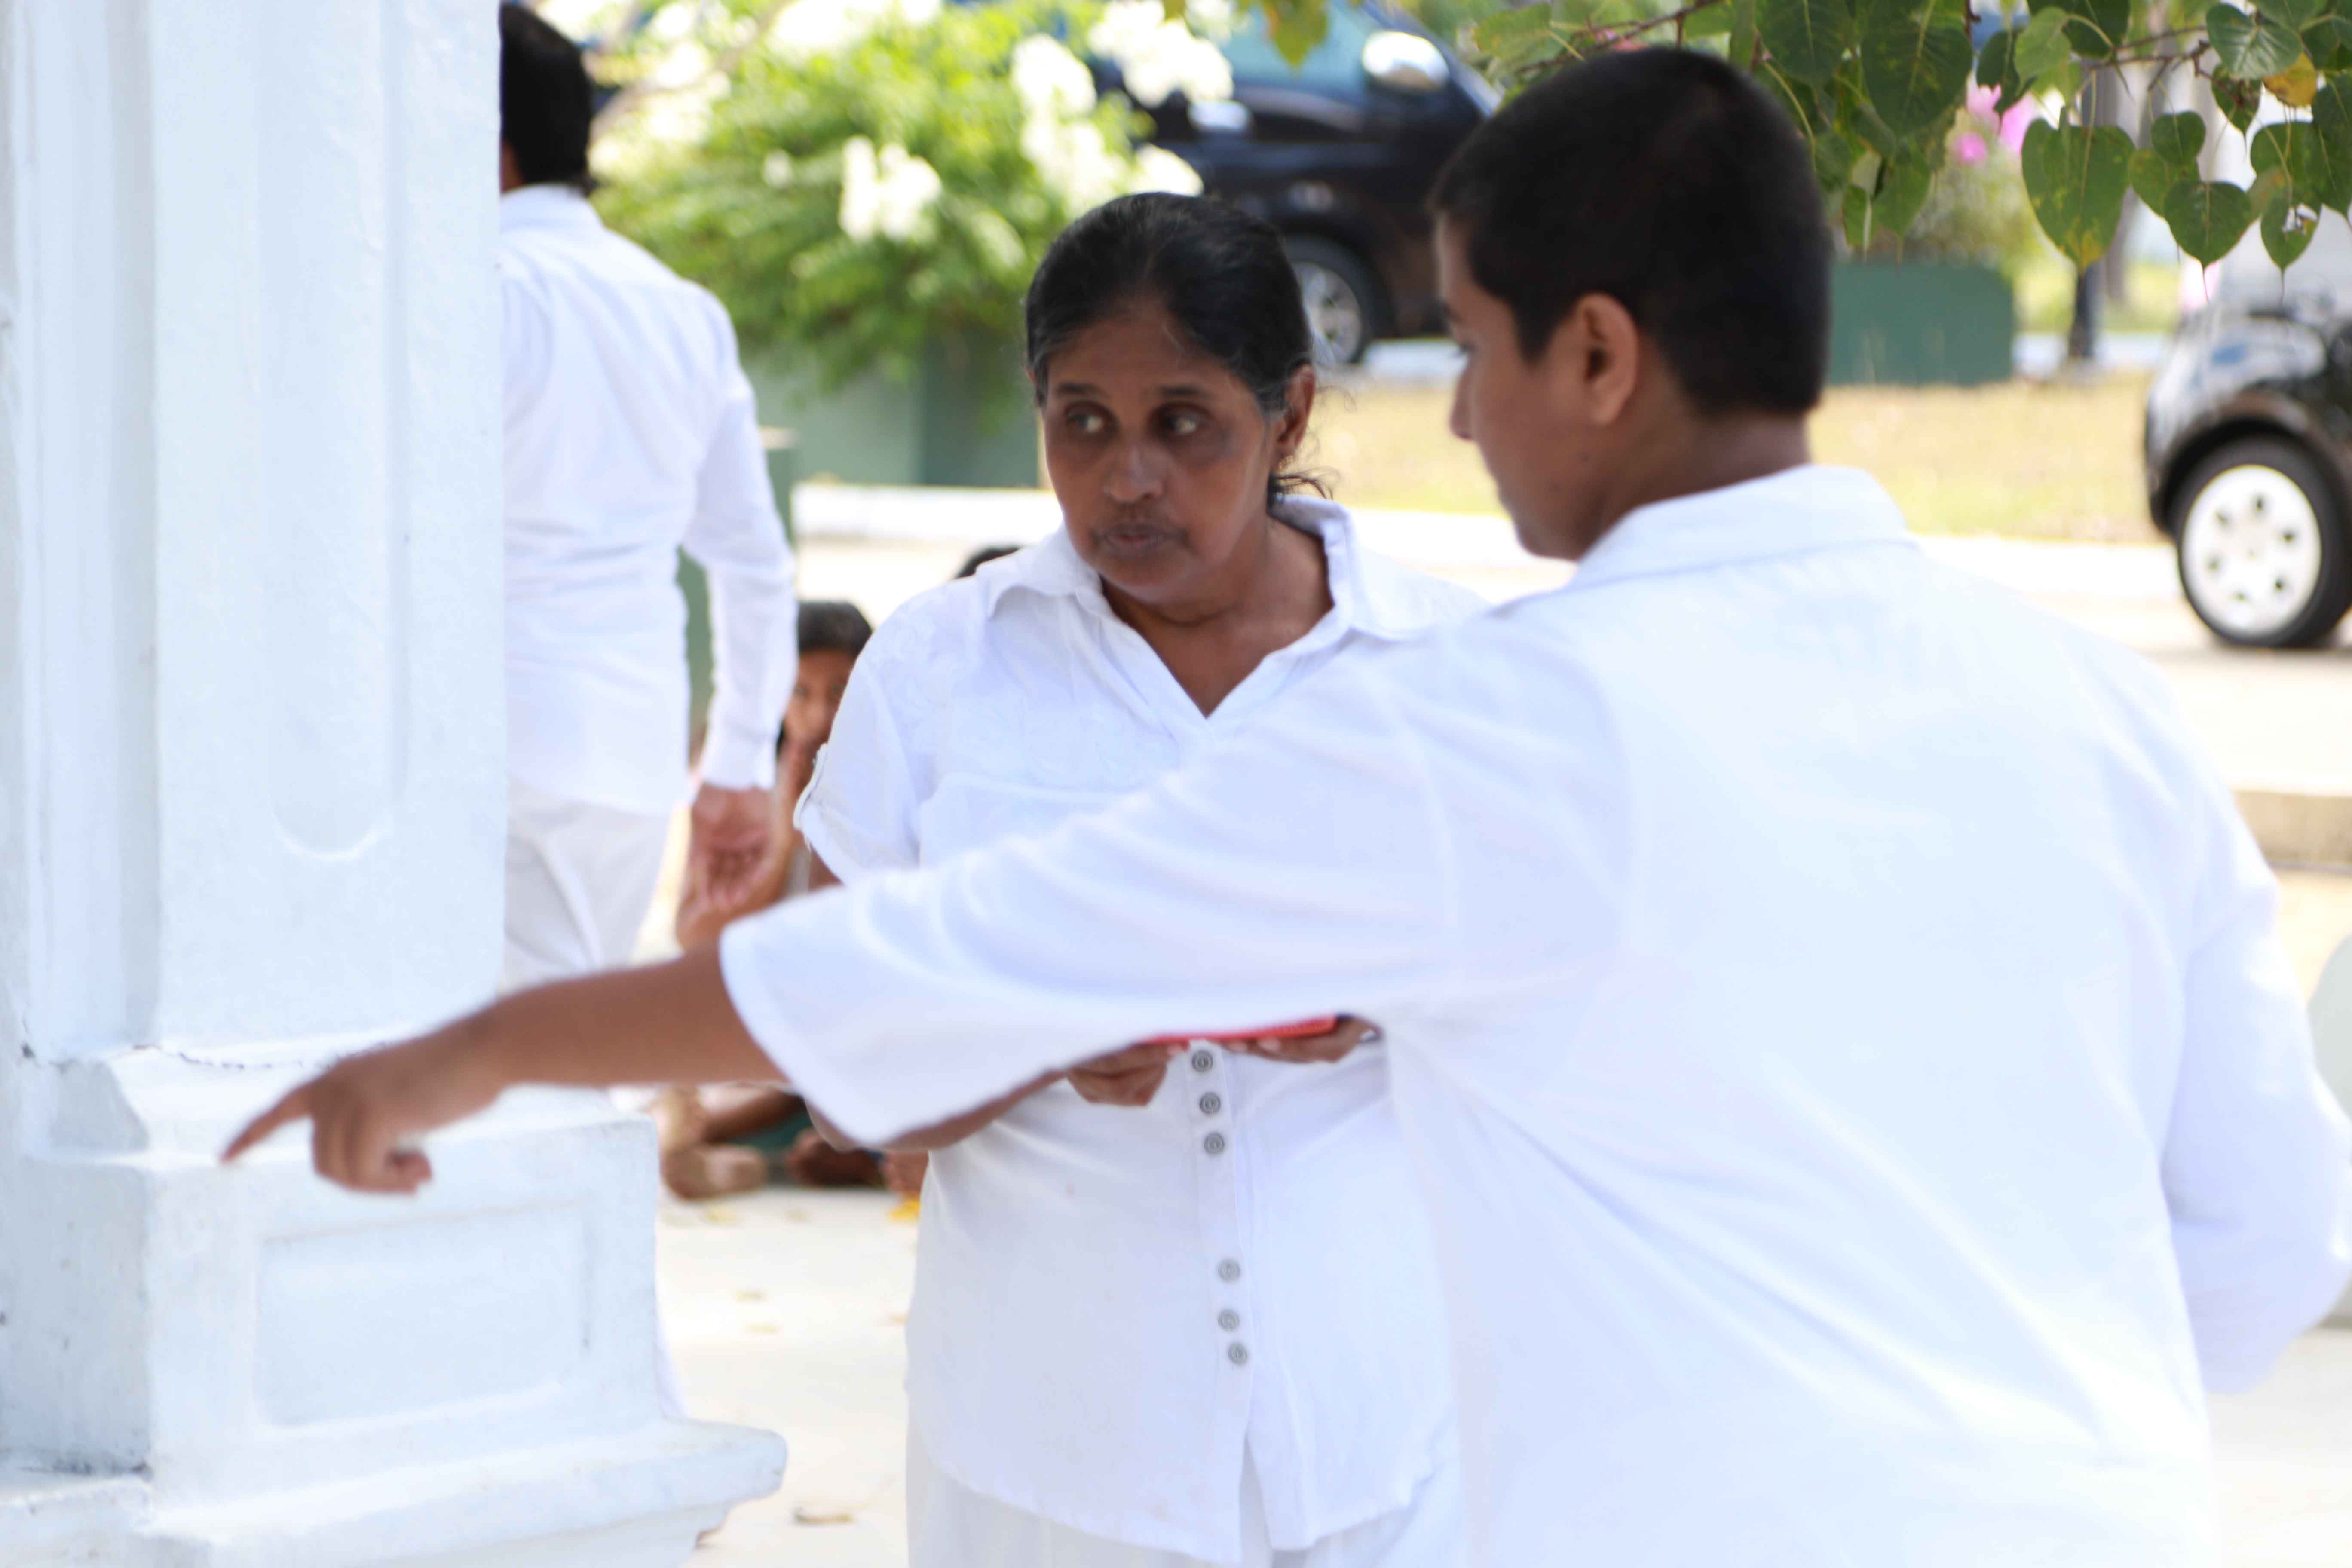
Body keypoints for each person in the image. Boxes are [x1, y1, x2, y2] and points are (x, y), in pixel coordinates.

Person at [230, 50, 2352, 1568]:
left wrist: (470, 1047)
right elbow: (2269, 1243)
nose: (1468, 417)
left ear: (1596, 358)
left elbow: (937, 962)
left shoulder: (1491, 720)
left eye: (1478, 350)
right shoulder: (2095, 711)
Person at [786, 194, 1481, 1567]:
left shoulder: (1441, 671)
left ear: (1288, 414)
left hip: (1385, 1439)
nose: (1128, 477)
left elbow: (1573, 1023)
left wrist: (1389, 1004)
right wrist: (1041, 1037)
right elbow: (833, 1065)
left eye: (1183, 422)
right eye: (1084, 422)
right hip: (1051, 1459)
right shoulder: (941, 673)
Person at [496, 6, 796, 992]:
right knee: (561, 1038)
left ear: (488, 144)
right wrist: (739, 765)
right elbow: (753, 561)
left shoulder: (474, 291)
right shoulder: (683, 312)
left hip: (485, 745)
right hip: (630, 749)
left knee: (482, 1059)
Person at [662, 600, 884, 1200]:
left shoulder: (890, 785)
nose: (819, 715)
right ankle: (712, 1142)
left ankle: (705, 1141)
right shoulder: (740, 791)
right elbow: (695, 937)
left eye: (840, 691)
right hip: (752, 1035)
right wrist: (784, 841)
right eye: (799, 693)